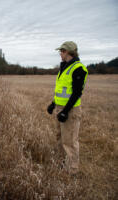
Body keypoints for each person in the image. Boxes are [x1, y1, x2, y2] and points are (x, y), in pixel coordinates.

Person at [47, 41, 88, 174]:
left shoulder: (78, 68)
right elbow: (63, 91)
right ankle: (62, 165)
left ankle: (72, 171)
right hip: (60, 108)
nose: (60, 53)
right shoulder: (64, 67)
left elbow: (76, 93)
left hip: (70, 110)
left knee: (69, 141)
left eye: (62, 51)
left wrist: (65, 111)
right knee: (60, 138)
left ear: (69, 52)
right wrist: (53, 104)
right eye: (61, 51)